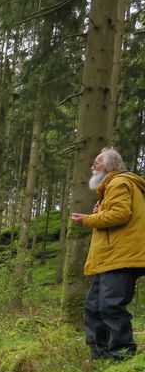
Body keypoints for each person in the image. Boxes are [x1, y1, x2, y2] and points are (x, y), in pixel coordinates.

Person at [71, 147, 145, 360]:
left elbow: (121, 215)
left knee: (111, 307)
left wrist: (87, 220)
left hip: (120, 258)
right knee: (93, 308)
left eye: (97, 163)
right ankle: (100, 358)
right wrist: (101, 212)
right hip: (108, 260)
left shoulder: (119, 183)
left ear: (110, 166)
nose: (92, 167)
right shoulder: (112, 187)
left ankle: (122, 356)